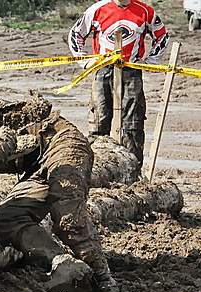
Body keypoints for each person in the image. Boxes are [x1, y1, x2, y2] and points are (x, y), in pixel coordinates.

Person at [0, 112, 117, 292]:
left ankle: (105, 281)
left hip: (60, 142)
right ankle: (62, 262)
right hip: (33, 163)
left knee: (68, 218)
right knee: (7, 218)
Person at [68, 0, 169, 173]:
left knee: (133, 123)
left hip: (131, 69)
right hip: (102, 69)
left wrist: (150, 61)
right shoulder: (97, 10)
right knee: (99, 121)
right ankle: (96, 171)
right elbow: (76, 33)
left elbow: (162, 36)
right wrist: (85, 61)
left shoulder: (145, 11)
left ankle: (133, 171)